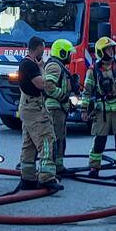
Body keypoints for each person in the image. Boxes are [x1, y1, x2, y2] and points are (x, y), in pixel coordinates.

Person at [16, 36, 61, 191]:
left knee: (28, 143)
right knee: (46, 141)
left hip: (27, 107)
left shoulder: (26, 63)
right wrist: (42, 68)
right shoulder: (30, 65)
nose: (45, 50)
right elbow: (41, 84)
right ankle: (46, 178)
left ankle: (28, 178)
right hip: (34, 108)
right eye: (43, 47)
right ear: (38, 48)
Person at [81, 37, 116, 181]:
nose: (111, 51)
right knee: (99, 141)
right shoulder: (93, 71)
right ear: (101, 52)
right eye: (108, 49)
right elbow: (87, 91)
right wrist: (84, 109)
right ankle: (94, 167)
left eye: (112, 49)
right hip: (102, 111)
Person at [43, 39, 75, 177]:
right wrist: (63, 97)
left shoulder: (59, 66)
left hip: (59, 109)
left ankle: (59, 166)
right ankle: (52, 169)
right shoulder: (54, 67)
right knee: (55, 138)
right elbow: (48, 86)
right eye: (68, 53)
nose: (70, 56)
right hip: (54, 108)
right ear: (62, 53)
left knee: (60, 137)